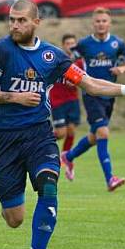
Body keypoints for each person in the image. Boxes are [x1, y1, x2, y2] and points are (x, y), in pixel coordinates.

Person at [0, 0, 125, 249]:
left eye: (21, 20)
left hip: (39, 135)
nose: (15, 25)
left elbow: (91, 84)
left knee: (49, 186)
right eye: (12, 19)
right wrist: (16, 97)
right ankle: (11, 206)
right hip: (2, 139)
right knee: (14, 218)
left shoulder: (53, 56)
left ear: (36, 23)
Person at [61, 8, 125, 191]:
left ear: (109, 23)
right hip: (91, 95)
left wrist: (122, 70)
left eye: (104, 21)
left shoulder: (117, 44)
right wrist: (72, 79)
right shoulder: (85, 44)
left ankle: (68, 156)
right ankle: (110, 178)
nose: (101, 24)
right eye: (97, 21)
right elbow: (68, 62)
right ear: (93, 23)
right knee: (103, 133)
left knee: (95, 136)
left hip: (110, 95)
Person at [49, 34, 83, 181]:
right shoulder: (57, 60)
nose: (70, 45)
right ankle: (42, 141)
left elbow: (84, 79)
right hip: (57, 101)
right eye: (67, 43)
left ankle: (66, 158)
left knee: (71, 131)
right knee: (61, 133)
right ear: (63, 45)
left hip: (72, 100)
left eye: (72, 43)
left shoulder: (79, 62)